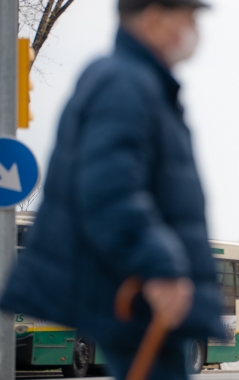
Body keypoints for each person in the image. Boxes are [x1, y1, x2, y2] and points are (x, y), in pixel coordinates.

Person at [0, 0, 223, 379]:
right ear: (154, 19)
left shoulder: (137, 82)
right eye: (189, 18)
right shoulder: (125, 82)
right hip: (138, 299)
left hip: (138, 300)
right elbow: (110, 192)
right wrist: (162, 269)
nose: (195, 31)